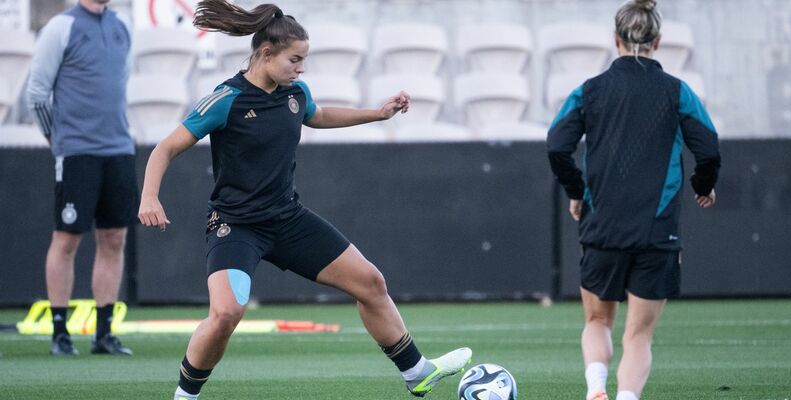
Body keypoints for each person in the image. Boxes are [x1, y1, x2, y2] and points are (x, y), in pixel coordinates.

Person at [137, 1, 471, 399]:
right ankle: (185, 395)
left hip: (287, 219)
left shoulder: (295, 93)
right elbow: (165, 148)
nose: (301, 68)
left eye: (303, 60)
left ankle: (418, 372)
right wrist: (149, 198)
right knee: (226, 313)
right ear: (266, 53)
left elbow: (319, 115)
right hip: (236, 225)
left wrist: (378, 114)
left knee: (370, 282)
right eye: (295, 59)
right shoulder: (226, 99)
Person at [546, 1, 721, 400]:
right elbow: (708, 148)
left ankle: (595, 390)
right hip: (656, 231)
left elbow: (557, 146)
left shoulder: (589, 91)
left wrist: (577, 192)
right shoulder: (678, 92)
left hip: (601, 225)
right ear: (657, 41)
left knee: (597, 320)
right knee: (639, 335)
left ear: (615, 40)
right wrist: (702, 185)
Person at [26, 0, 136, 356]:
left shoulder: (122, 26)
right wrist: (58, 142)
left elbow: (120, 83)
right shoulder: (61, 28)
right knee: (67, 239)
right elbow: (37, 94)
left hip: (119, 149)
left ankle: (104, 335)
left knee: (114, 238)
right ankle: (60, 333)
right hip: (76, 153)